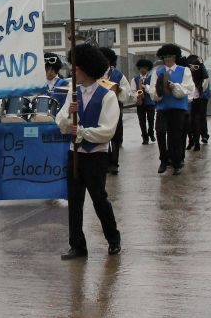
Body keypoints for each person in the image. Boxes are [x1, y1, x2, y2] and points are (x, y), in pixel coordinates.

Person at [56, 44, 122, 260]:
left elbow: (107, 130)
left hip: (96, 156)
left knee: (99, 198)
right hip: (74, 153)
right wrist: (69, 116)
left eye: (75, 67)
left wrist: (82, 132)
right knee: (74, 201)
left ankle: (113, 239)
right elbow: (61, 122)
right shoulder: (72, 94)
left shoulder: (107, 96)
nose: (72, 70)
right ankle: (77, 245)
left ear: (86, 68)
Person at [147, 44, 195, 176]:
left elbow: (188, 89)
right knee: (160, 132)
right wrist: (159, 91)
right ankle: (163, 160)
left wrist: (174, 87)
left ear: (175, 57)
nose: (168, 59)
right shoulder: (157, 73)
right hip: (162, 108)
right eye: (165, 56)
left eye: (170, 56)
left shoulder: (184, 71)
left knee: (176, 136)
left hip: (178, 109)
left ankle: (177, 162)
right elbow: (153, 93)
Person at [98, 47, 132, 175]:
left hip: (115, 107)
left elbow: (127, 92)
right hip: (99, 107)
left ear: (110, 60)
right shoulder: (94, 73)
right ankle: (104, 161)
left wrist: (118, 90)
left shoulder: (118, 74)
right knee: (101, 134)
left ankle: (114, 163)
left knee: (115, 135)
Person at [185, 55, 209, 151]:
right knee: (188, 123)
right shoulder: (186, 74)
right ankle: (191, 140)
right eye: (191, 66)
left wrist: (201, 64)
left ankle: (197, 142)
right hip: (187, 101)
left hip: (198, 100)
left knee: (197, 122)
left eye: (195, 67)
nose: (193, 69)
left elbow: (205, 76)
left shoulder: (201, 77)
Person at [130, 59, 156, 145]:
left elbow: (153, 90)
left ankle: (151, 132)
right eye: (141, 67)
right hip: (140, 103)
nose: (142, 69)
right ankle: (144, 137)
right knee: (142, 121)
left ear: (148, 68)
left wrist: (145, 87)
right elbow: (132, 91)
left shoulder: (152, 78)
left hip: (150, 103)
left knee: (151, 120)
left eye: (144, 67)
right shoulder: (135, 79)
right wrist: (136, 97)